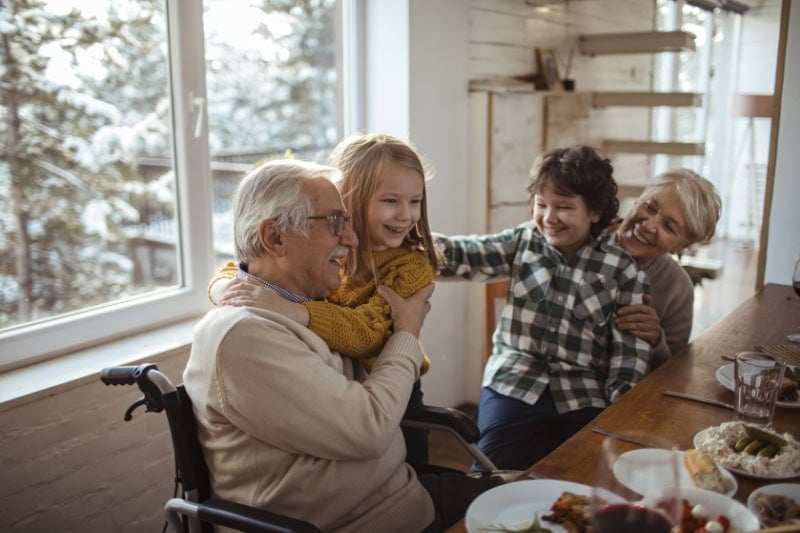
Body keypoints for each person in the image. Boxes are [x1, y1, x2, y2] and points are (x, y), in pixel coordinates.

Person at [184, 159, 497, 532]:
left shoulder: (302, 300)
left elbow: (242, 270)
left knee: (541, 498)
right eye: (335, 223)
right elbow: (369, 429)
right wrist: (407, 332)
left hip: (401, 496)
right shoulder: (243, 336)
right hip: (374, 520)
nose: (351, 238)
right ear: (276, 238)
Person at [209, 133, 439, 464]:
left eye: (415, 202)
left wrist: (293, 309)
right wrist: (226, 292)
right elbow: (238, 269)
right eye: (391, 201)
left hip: (395, 389)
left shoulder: (408, 268)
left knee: (411, 470)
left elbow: (367, 334)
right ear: (352, 202)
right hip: (346, 388)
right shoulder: (329, 253)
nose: (405, 215)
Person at [435, 145, 652, 471]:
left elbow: (629, 355)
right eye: (541, 204)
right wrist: (417, 241)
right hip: (515, 378)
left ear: (594, 212)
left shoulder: (622, 268)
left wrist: (619, 408)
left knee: (591, 471)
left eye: (564, 207)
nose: (549, 218)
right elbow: (468, 254)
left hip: (584, 389)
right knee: (487, 473)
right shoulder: (524, 240)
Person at [613, 168, 722, 367]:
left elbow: (674, 372)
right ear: (639, 198)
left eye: (669, 227)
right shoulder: (581, 237)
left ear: (682, 247)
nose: (648, 225)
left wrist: (656, 340)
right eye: (650, 207)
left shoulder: (678, 288)